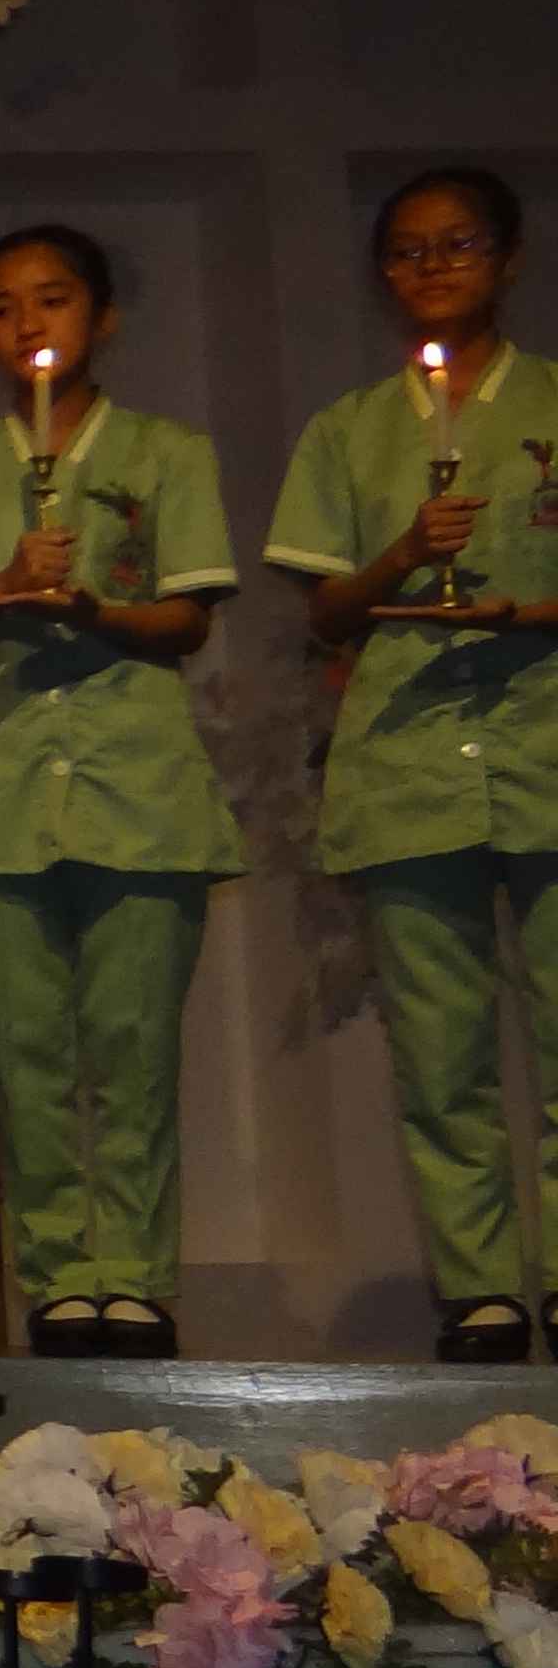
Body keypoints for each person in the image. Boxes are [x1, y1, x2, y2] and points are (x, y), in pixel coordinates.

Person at [0, 226, 244, 1359]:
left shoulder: (165, 453)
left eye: (51, 299)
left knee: (131, 1047)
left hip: (137, 788)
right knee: (24, 1053)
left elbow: (186, 619)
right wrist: (0, 589)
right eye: (1, 307)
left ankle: (133, 1277)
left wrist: (94, 609)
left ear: (102, 315)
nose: (27, 325)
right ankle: (55, 1280)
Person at [261, 164, 558, 1366]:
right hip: (410, 765)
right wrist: (402, 555)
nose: (434, 267)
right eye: (409, 250)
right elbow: (323, 612)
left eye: (461, 244)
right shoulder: (349, 431)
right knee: (441, 1052)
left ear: (511, 259)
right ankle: (479, 1287)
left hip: (546, 746)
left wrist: (525, 614)